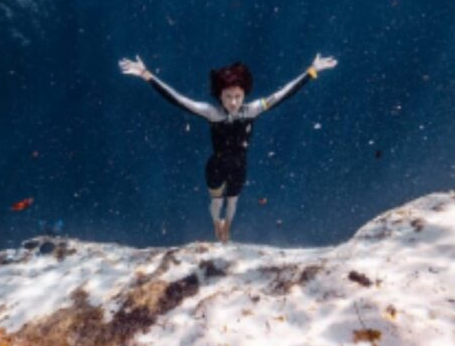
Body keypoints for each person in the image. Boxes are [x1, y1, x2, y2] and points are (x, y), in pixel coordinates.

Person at [118, 53, 338, 242]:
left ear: (244, 95)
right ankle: (216, 223)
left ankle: (228, 226)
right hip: (216, 166)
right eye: (228, 97)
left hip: (240, 166)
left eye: (238, 96)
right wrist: (146, 75)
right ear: (219, 96)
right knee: (216, 203)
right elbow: (177, 99)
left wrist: (312, 71)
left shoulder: (252, 110)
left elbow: (284, 94)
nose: (233, 102)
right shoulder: (211, 112)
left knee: (232, 202)